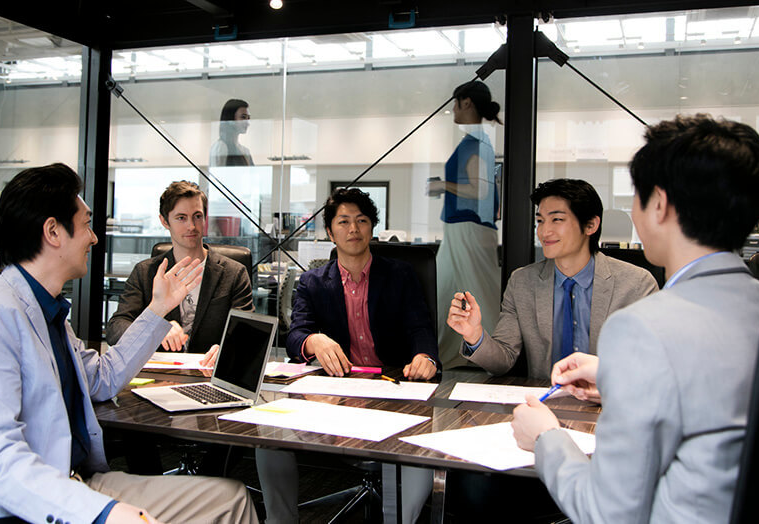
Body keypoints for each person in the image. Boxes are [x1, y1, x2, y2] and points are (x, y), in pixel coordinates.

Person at [0, 163, 257, 523]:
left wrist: (157, 310)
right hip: (13, 509)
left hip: (72, 481)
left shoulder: (45, 311)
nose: (94, 238)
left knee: (232, 500)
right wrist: (101, 512)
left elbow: (102, 378)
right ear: (53, 232)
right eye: (87, 224)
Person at [512, 114, 759, 523]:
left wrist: (545, 437)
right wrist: (614, 376)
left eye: (636, 198)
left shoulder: (642, 327)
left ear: (660, 205)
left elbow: (607, 512)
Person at [259, 188, 439, 524]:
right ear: (330, 232)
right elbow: (295, 336)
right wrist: (314, 341)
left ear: (372, 228)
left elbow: (420, 328)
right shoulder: (313, 282)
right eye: (343, 222)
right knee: (269, 434)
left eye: (361, 220)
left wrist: (425, 356)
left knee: (420, 446)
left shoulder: (400, 275)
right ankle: (281, 520)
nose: (353, 228)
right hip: (335, 393)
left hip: (392, 390)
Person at [448, 178, 658, 378]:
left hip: (605, 398)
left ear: (591, 225)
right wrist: (474, 334)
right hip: (545, 397)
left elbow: (650, 364)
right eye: (540, 221)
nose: (544, 231)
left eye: (557, 219)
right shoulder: (522, 282)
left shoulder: (636, 285)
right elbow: (503, 362)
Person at [107, 180, 252, 358]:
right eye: (181, 218)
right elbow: (116, 328)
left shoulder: (234, 273)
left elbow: (247, 334)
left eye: (197, 216)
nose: (191, 226)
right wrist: (153, 329)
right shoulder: (145, 272)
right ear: (164, 221)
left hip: (208, 369)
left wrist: (226, 350)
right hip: (159, 369)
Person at [428, 80, 502, 369]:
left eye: (456, 104)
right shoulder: (475, 142)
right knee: (445, 290)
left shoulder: (478, 143)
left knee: (478, 293)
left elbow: (479, 190)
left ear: (467, 102)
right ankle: (442, 354)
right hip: (460, 227)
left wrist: (443, 185)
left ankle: (495, 356)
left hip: (469, 228)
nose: (454, 110)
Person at [210, 98, 254, 167]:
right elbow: (217, 172)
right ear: (231, 119)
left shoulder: (245, 151)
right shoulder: (220, 147)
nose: (247, 122)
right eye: (243, 117)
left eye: (248, 118)